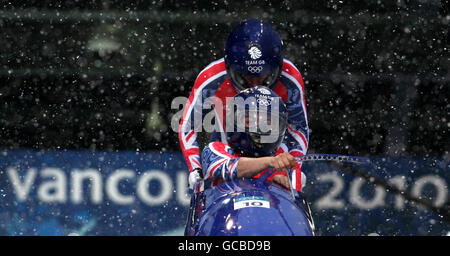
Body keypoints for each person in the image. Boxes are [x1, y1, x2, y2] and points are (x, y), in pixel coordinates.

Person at [179, 18, 309, 191]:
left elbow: (299, 128)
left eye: (266, 118)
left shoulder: (290, 78)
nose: (255, 83)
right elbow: (188, 126)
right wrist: (195, 170)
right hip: (229, 164)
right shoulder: (216, 151)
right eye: (248, 118)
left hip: (275, 161)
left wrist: (293, 169)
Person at [200, 86, 297, 189]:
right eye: (249, 121)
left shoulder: (285, 160)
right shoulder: (215, 149)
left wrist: (279, 187)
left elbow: (293, 198)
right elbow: (230, 169)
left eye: (268, 124)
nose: (260, 129)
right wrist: (270, 162)